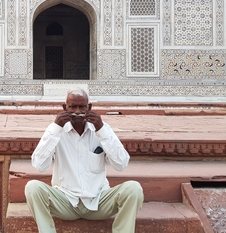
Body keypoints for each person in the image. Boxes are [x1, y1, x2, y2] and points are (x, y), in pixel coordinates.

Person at [25, 87, 144, 233]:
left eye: (82, 107)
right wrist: (55, 129)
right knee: (32, 188)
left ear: (89, 108)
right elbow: (39, 165)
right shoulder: (56, 131)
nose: (77, 112)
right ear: (64, 108)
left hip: (99, 201)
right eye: (72, 107)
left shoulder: (101, 129)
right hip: (66, 201)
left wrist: (101, 130)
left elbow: (121, 164)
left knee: (134, 189)